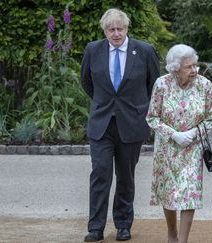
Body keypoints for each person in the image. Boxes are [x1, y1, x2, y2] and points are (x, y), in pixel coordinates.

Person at [80, 8, 160, 242]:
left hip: (132, 123)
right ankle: (95, 228)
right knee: (100, 173)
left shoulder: (143, 51)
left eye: (120, 28)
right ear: (104, 31)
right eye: (111, 29)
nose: (116, 33)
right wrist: (105, 103)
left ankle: (123, 225)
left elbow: (154, 85)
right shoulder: (93, 50)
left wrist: (138, 107)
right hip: (102, 123)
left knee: (126, 176)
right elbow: (86, 82)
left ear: (127, 29)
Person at [146, 44, 212, 243]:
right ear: (175, 68)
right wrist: (174, 134)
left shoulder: (205, 85)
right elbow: (152, 118)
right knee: (169, 191)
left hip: (192, 148)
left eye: (196, 66)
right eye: (189, 67)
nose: (194, 70)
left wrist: (194, 132)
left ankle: (182, 240)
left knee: (189, 191)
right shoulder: (162, 84)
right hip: (167, 147)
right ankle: (172, 234)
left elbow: (210, 117)